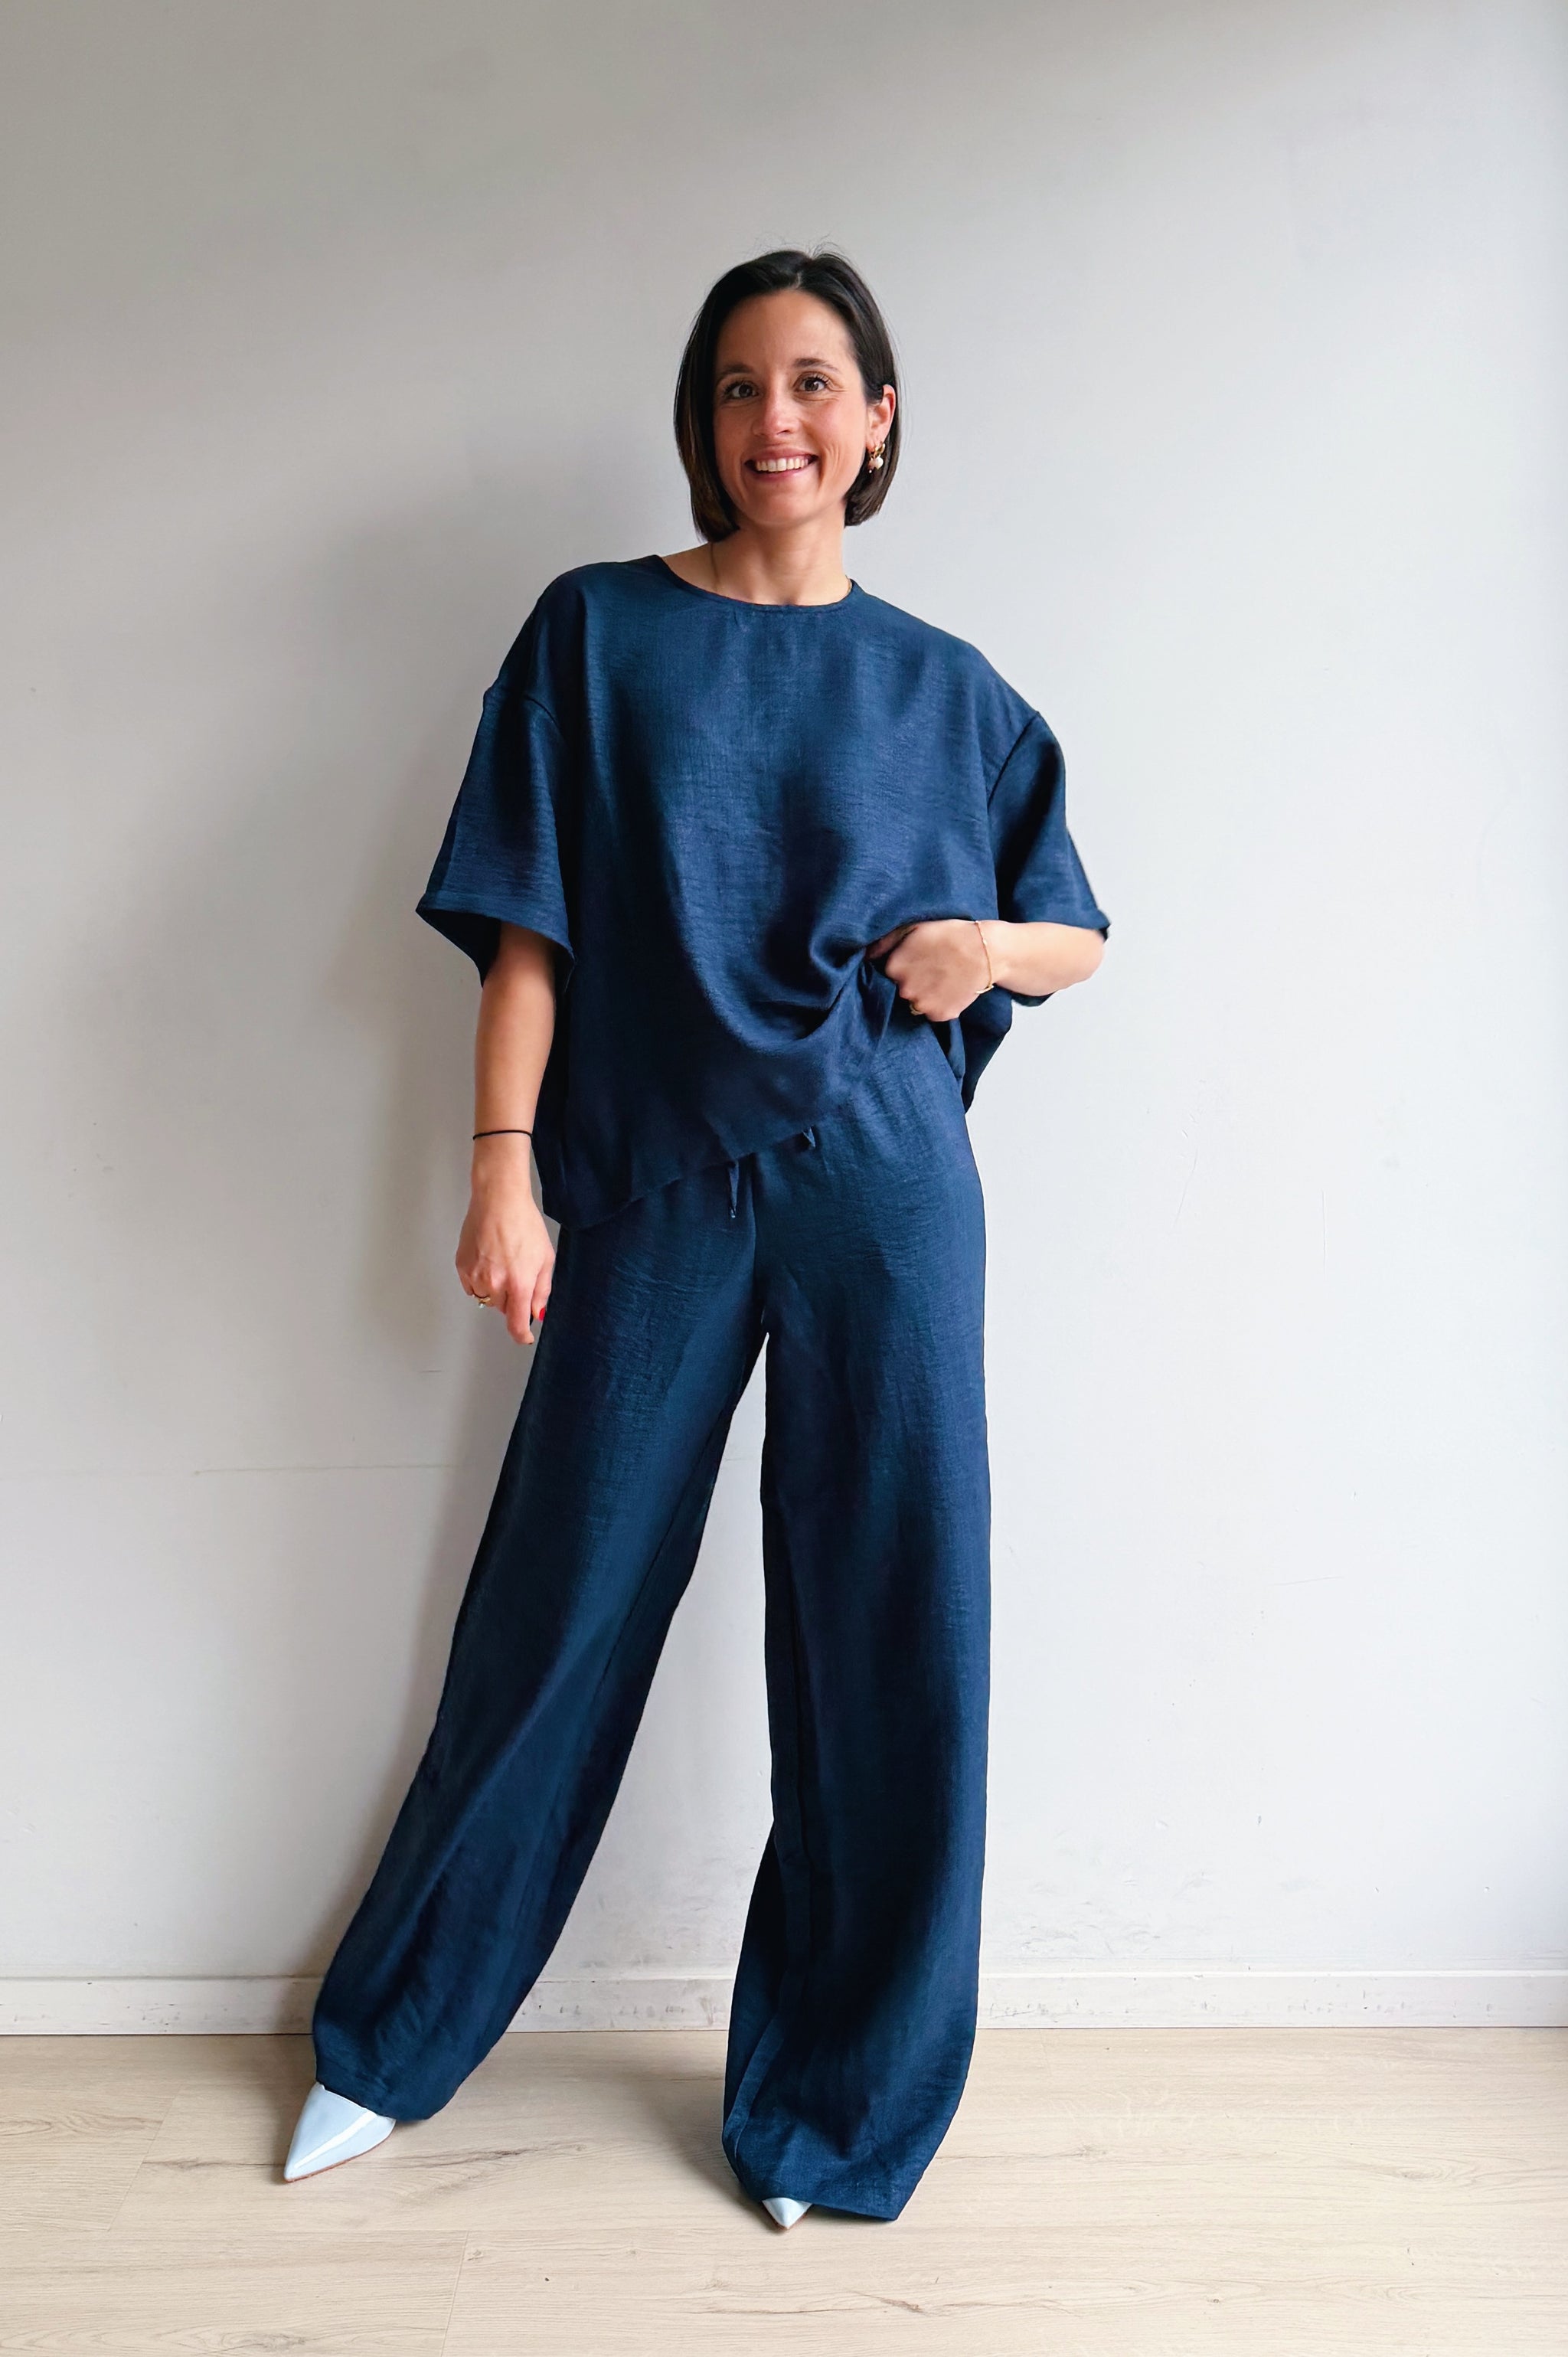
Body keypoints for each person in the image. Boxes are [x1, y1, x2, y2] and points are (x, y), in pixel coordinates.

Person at [284, 247, 1108, 2226]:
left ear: (878, 419)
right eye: (740, 386)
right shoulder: (598, 634)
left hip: (884, 1178)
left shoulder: (951, 688)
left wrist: (984, 946)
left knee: (894, 1620)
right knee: (557, 1599)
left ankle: (835, 2111)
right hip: (651, 1176)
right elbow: (530, 928)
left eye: (815, 383)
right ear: (704, 419)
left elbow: (1077, 932)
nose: (776, 421)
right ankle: (392, 2043)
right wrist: (501, 1165)